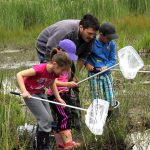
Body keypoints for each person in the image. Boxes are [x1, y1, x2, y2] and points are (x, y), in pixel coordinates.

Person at [16, 50, 73, 150]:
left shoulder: (54, 73)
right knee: (44, 119)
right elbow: (19, 74)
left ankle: (41, 142)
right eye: (62, 70)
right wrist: (24, 91)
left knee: (49, 120)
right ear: (54, 64)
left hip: (41, 93)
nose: (62, 73)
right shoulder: (39, 69)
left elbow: (52, 83)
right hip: (31, 94)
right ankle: (43, 147)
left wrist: (58, 98)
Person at [47, 39, 81, 149]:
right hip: (56, 95)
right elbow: (54, 82)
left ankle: (61, 144)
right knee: (65, 116)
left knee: (62, 117)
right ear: (60, 51)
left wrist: (72, 82)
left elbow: (68, 77)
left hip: (64, 94)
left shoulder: (68, 66)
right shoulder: (54, 65)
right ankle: (68, 143)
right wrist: (67, 84)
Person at [36, 13, 100, 70]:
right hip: (46, 44)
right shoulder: (66, 31)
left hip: (66, 50)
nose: (92, 36)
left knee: (68, 74)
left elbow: (83, 56)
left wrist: (75, 76)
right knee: (52, 71)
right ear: (81, 27)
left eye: (94, 34)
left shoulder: (92, 36)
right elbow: (50, 48)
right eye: (89, 33)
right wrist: (48, 69)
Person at [85, 22, 118, 109]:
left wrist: (107, 66)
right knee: (97, 98)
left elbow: (113, 59)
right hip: (94, 74)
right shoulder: (91, 43)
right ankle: (98, 117)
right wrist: (87, 64)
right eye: (108, 38)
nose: (110, 40)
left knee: (110, 97)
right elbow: (83, 56)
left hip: (106, 73)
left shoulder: (111, 44)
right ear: (101, 35)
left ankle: (111, 114)